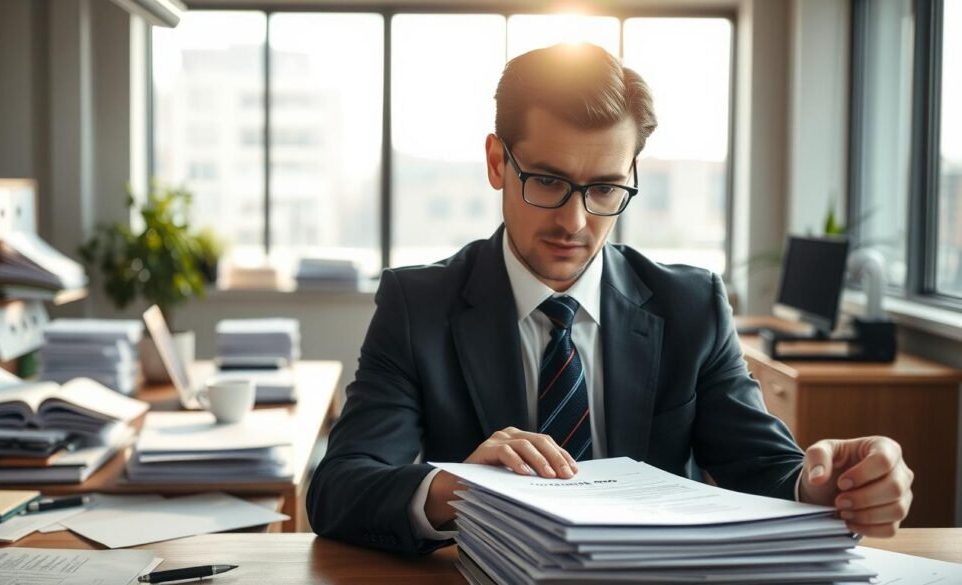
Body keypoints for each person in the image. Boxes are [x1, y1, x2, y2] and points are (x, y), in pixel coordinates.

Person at [306, 42, 913, 555]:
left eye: (604, 188)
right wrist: (457, 486)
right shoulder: (419, 305)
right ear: (497, 162)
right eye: (547, 181)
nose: (574, 220)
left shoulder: (691, 305)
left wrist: (827, 484)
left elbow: (763, 469)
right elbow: (339, 488)